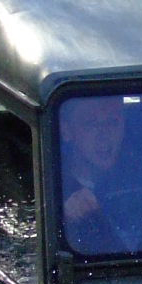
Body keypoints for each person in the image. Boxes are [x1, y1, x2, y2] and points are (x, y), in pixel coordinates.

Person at [59, 94, 129, 253]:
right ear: (66, 130)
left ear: (124, 125)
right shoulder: (51, 187)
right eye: (91, 124)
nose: (104, 135)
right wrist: (64, 220)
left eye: (112, 122)